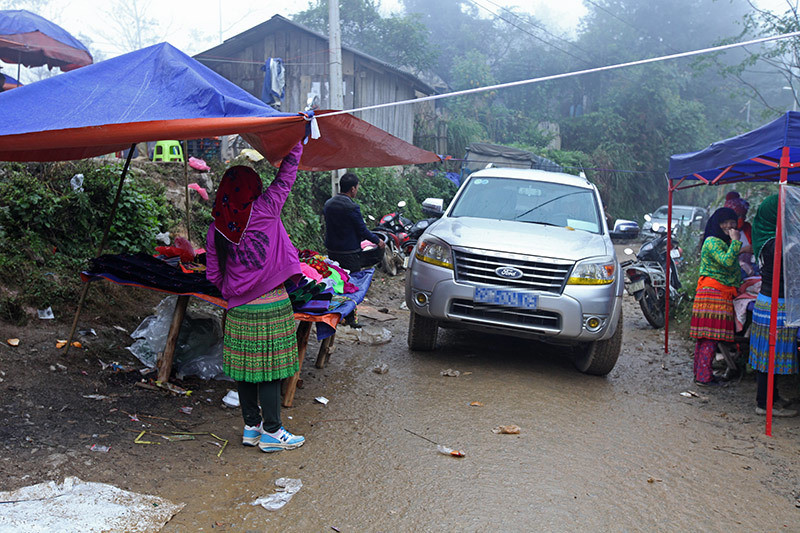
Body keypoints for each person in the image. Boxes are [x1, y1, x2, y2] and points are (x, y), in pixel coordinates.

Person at [205, 142, 306, 452]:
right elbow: (287, 173)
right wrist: (297, 139)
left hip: (238, 309)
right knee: (271, 369)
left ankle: (252, 427)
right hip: (272, 304)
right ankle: (273, 432)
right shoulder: (266, 208)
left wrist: (234, 292)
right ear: (252, 188)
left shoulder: (216, 229)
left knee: (247, 369)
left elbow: (213, 276)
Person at [748, 194, 798, 417]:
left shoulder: (765, 238)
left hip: (767, 304)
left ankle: (772, 396)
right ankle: (765, 404)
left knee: (769, 357)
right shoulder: (779, 243)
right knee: (771, 357)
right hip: (777, 307)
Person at [689, 207, 751, 385]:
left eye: (732, 222)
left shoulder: (721, 242)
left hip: (715, 293)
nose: (729, 226)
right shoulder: (712, 241)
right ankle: (703, 377)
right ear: (716, 224)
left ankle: (701, 374)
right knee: (709, 337)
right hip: (714, 293)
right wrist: (736, 242)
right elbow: (727, 261)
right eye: (724, 222)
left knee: (706, 338)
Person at [323, 172, 385, 274]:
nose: (356, 190)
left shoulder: (328, 204)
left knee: (337, 278)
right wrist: (378, 241)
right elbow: (362, 230)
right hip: (349, 254)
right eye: (356, 188)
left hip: (332, 251)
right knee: (352, 280)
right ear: (352, 189)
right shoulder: (352, 207)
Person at [725, 193, 755, 275]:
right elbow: (725, 258)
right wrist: (743, 250)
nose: (741, 219)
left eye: (743, 216)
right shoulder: (723, 233)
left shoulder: (747, 227)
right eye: (738, 216)